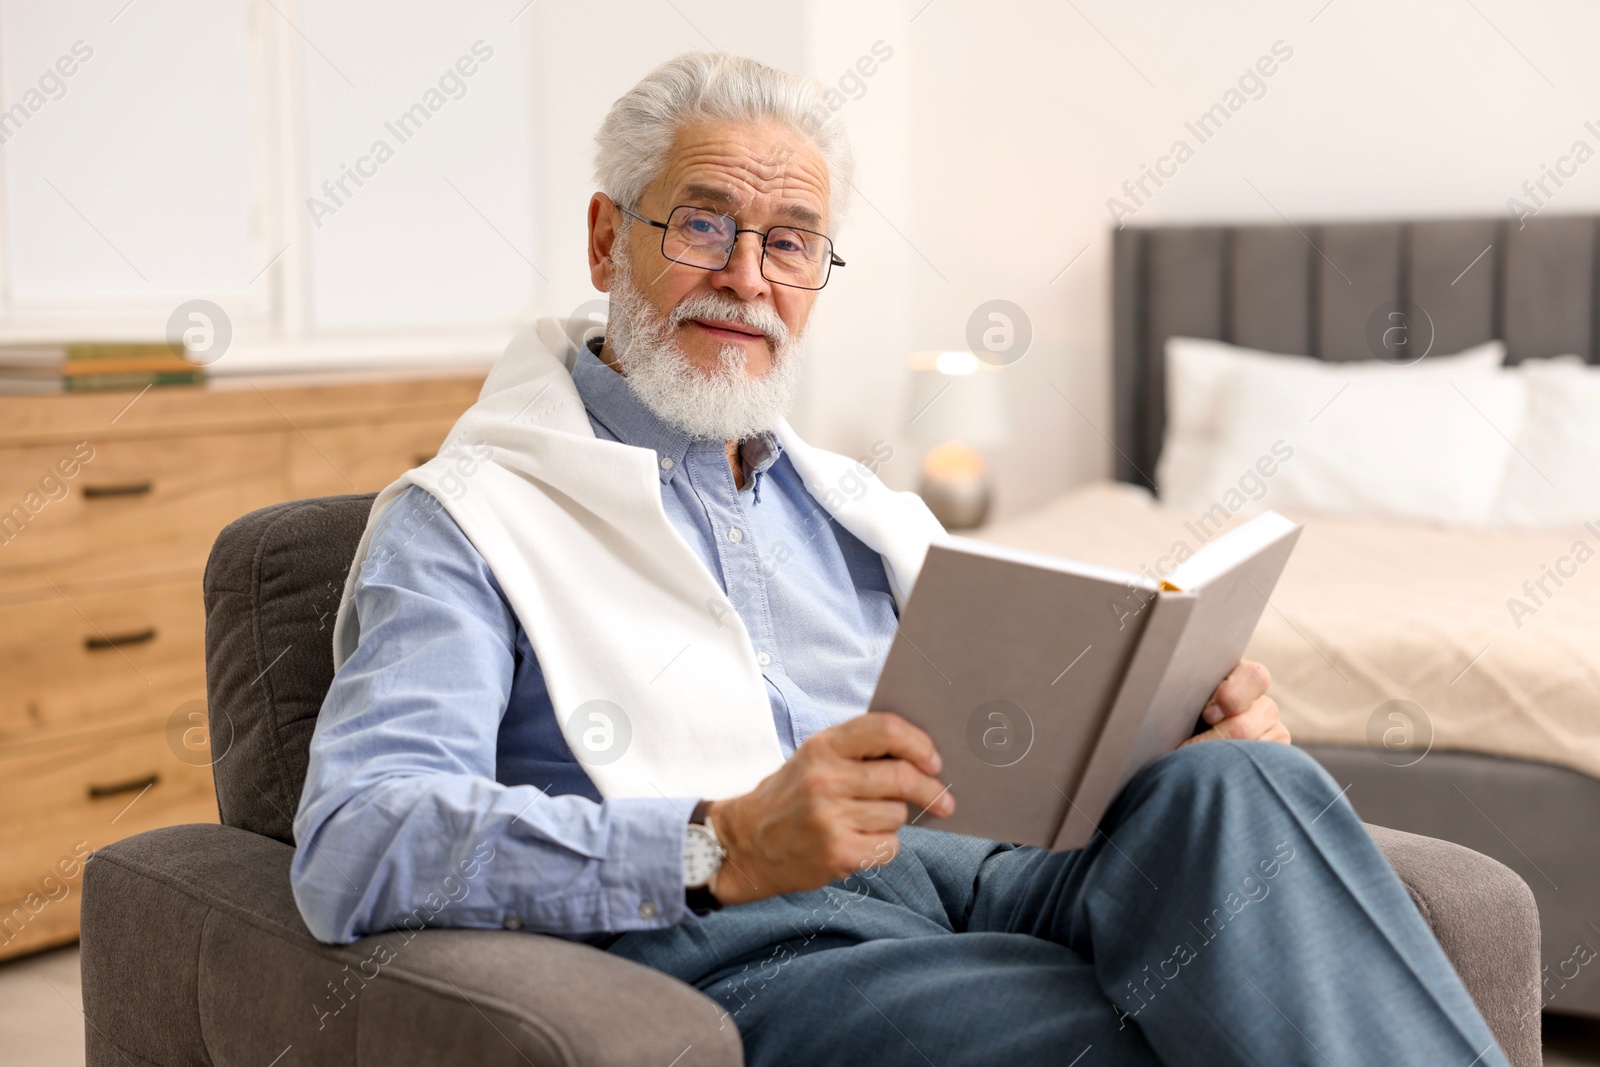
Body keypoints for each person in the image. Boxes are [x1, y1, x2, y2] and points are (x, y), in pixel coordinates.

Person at [292, 51, 1509, 1066]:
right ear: (611, 238)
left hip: (982, 877)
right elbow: (356, 836)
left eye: (790, 243)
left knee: (1245, 783)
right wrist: (722, 840)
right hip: (759, 941)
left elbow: (1019, 747)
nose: (746, 279)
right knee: (1181, 1030)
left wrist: (1166, 725)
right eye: (706, 223)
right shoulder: (463, 519)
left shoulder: (855, 506)